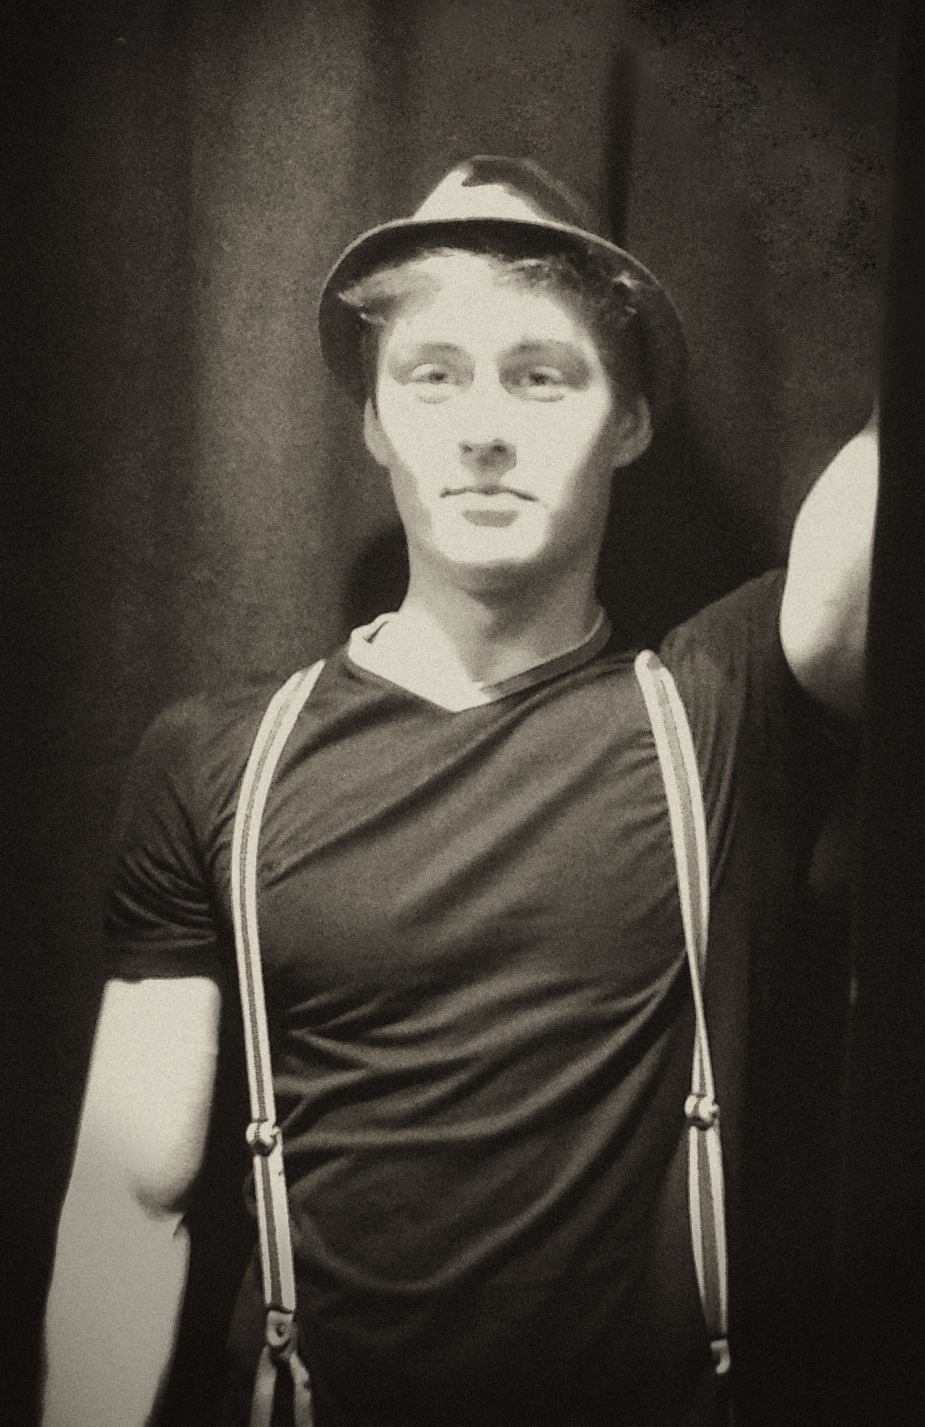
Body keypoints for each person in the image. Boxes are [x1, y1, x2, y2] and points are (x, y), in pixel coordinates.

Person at [42, 156, 877, 1427]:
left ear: (630, 420)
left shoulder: (715, 708)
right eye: (433, 375)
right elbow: (129, 1197)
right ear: (374, 421)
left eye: (540, 375)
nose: (483, 427)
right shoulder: (219, 758)